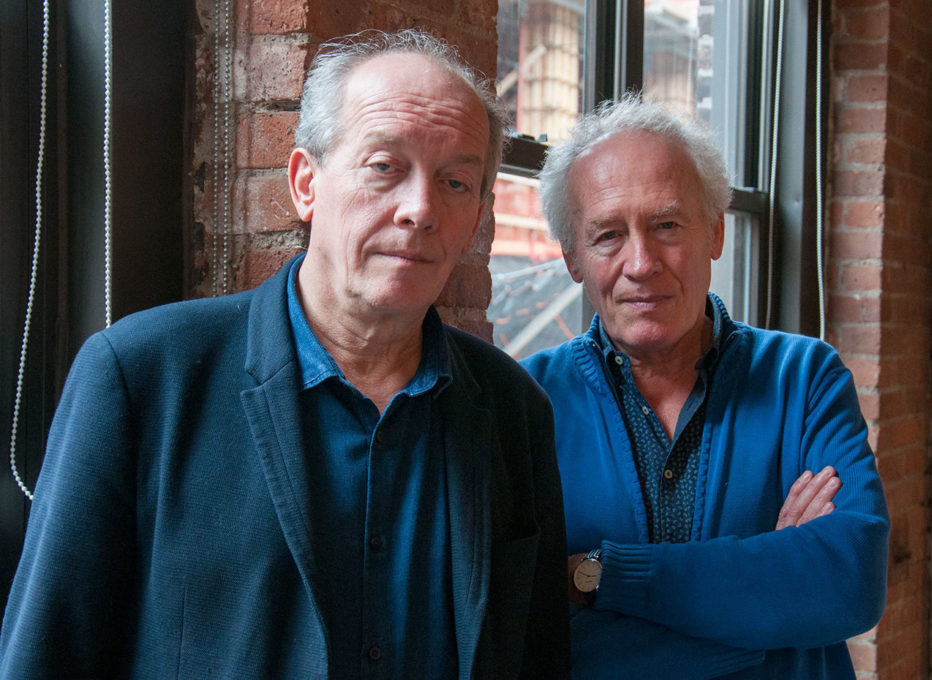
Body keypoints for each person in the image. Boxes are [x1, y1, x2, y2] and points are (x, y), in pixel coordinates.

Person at [0, 29, 568, 679]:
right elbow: (47, 653)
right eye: (384, 167)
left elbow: (537, 653)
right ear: (306, 183)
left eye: (457, 182)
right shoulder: (141, 377)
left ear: (477, 219)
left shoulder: (513, 408)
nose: (420, 208)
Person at [521, 95, 890, 679]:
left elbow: (849, 583)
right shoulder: (524, 403)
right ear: (572, 258)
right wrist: (769, 613)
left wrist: (598, 577)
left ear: (715, 233)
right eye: (608, 236)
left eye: (666, 225)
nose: (641, 263)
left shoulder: (806, 378)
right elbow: (522, 634)